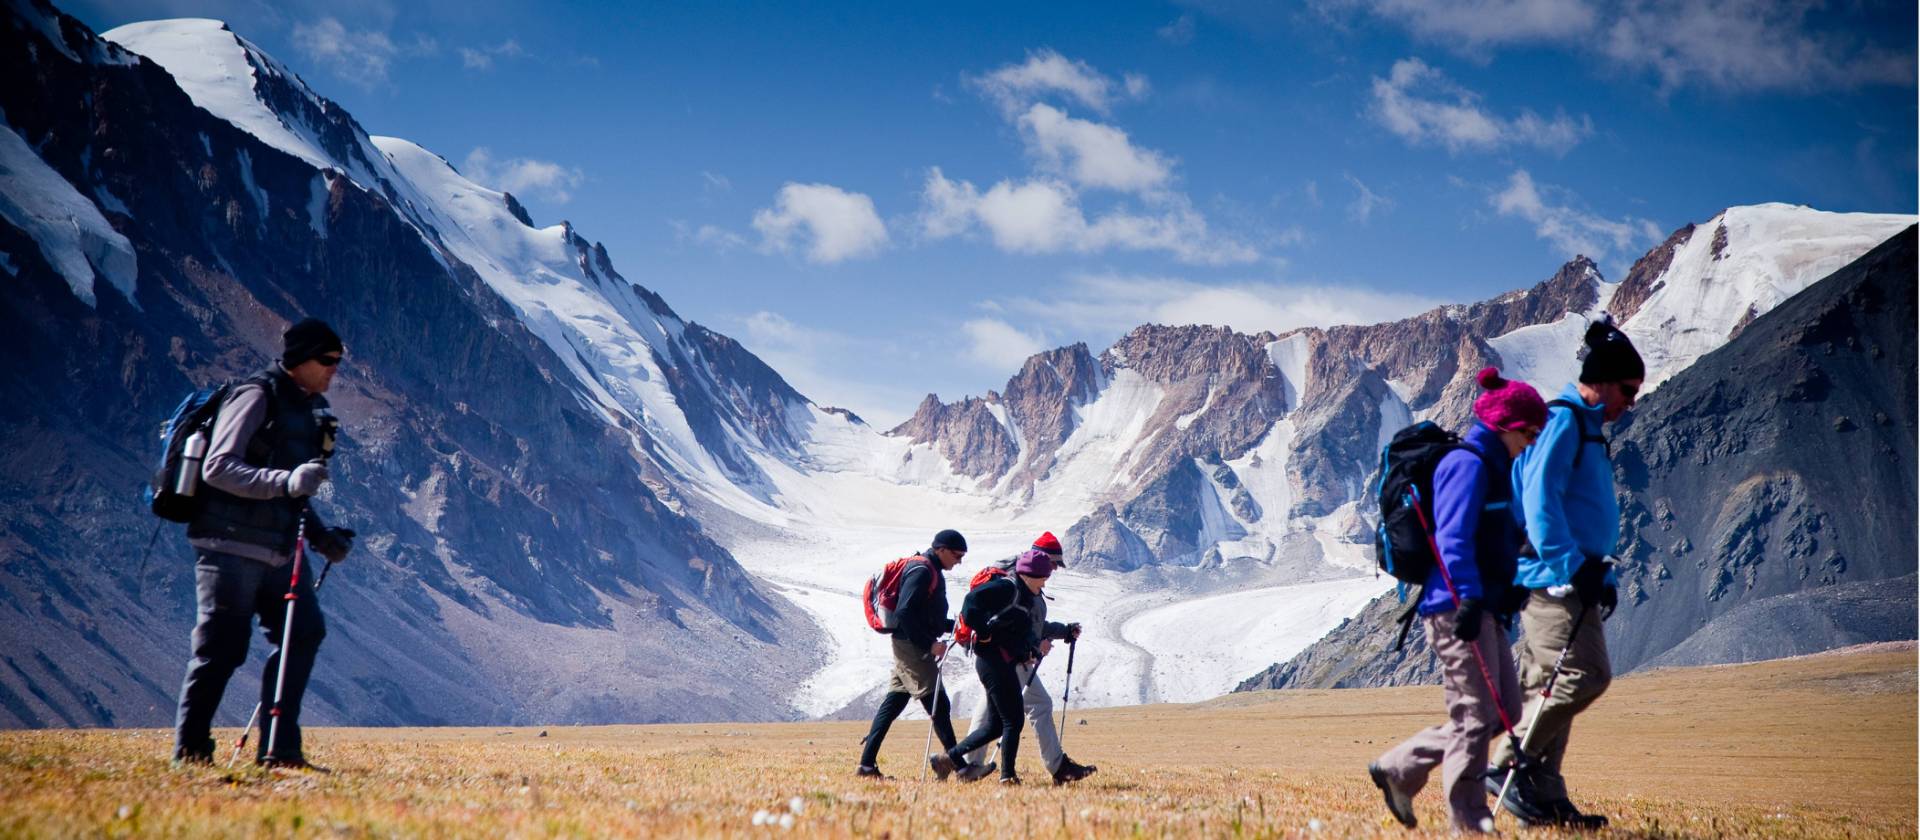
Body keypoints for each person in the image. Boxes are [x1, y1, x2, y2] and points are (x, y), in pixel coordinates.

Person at [172, 318, 355, 769]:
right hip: (227, 544)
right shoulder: (256, 396)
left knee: (304, 633)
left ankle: (280, 751)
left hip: (277, 549)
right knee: (222, 648)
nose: (335, 369)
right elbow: (218, 467)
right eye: (327, 360)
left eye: (338, 361)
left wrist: (320, 536)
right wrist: (287, 480)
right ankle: (191, 754)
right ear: (301, 359)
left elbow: (291, 493)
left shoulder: (309, 408)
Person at [1370, 367, 1545, 832]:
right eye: (1529, 432)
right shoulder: (1466, 465)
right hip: (1455, 607)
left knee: (1503, 710)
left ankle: (1399, 766)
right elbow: (1452, 541)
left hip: (1482, 607)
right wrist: (1468, 599)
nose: (1531, 441)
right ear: (1506, 426)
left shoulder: (1494, 469)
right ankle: (1469, 821)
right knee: (1475, 715)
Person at [1486, 320, 1644, 829]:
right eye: (1627, 389)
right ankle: (1506, 764)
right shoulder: (1564, 420)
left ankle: (1545, 798)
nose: (1631, 402)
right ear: (1601, 379)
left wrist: (1603, 577)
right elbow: (1539, 501)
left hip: (1570, 575)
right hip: (1550, 578)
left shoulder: (1587, 427)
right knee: (1583, 675)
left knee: (1549, 686)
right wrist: (1572, 567)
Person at [960, 532, 1096, 785]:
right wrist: (1035, 645)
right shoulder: (1020, 584)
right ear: (1043, 558)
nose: (1053, 570)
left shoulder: (1021, 577)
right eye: (1054, 563)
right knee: (1030, 708)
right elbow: (1026, 626)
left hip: (1000, 655)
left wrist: (1062, 631)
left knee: (996, 709)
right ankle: (1048, 769)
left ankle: (967, 765)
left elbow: (1032, 624)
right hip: (1009, 656)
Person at [932, 548, 1055, 785]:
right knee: (1013, 720)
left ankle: (946, 760)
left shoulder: (1025, 594)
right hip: (992, 662)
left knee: (996, 725)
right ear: (1028, 575)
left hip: (1001, 661)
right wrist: (985, 633)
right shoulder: (1008, 588)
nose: (1045, 582)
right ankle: (1007, 776)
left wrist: (1029, 650)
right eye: (1043, 576)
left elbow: (1016, 630)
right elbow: (970, 603)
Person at [856, 529, 967, 778]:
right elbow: (906, 613)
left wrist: (953, 627)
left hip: (908, 643)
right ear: (941, 549)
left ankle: (866, 766)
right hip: (912, 646)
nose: (959, 561)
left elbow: (922, 614)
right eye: (957, 555)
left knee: (894, 703)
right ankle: (961, 767)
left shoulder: (928, 569)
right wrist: (929, 643)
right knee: (938, 702)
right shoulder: (923, 571)